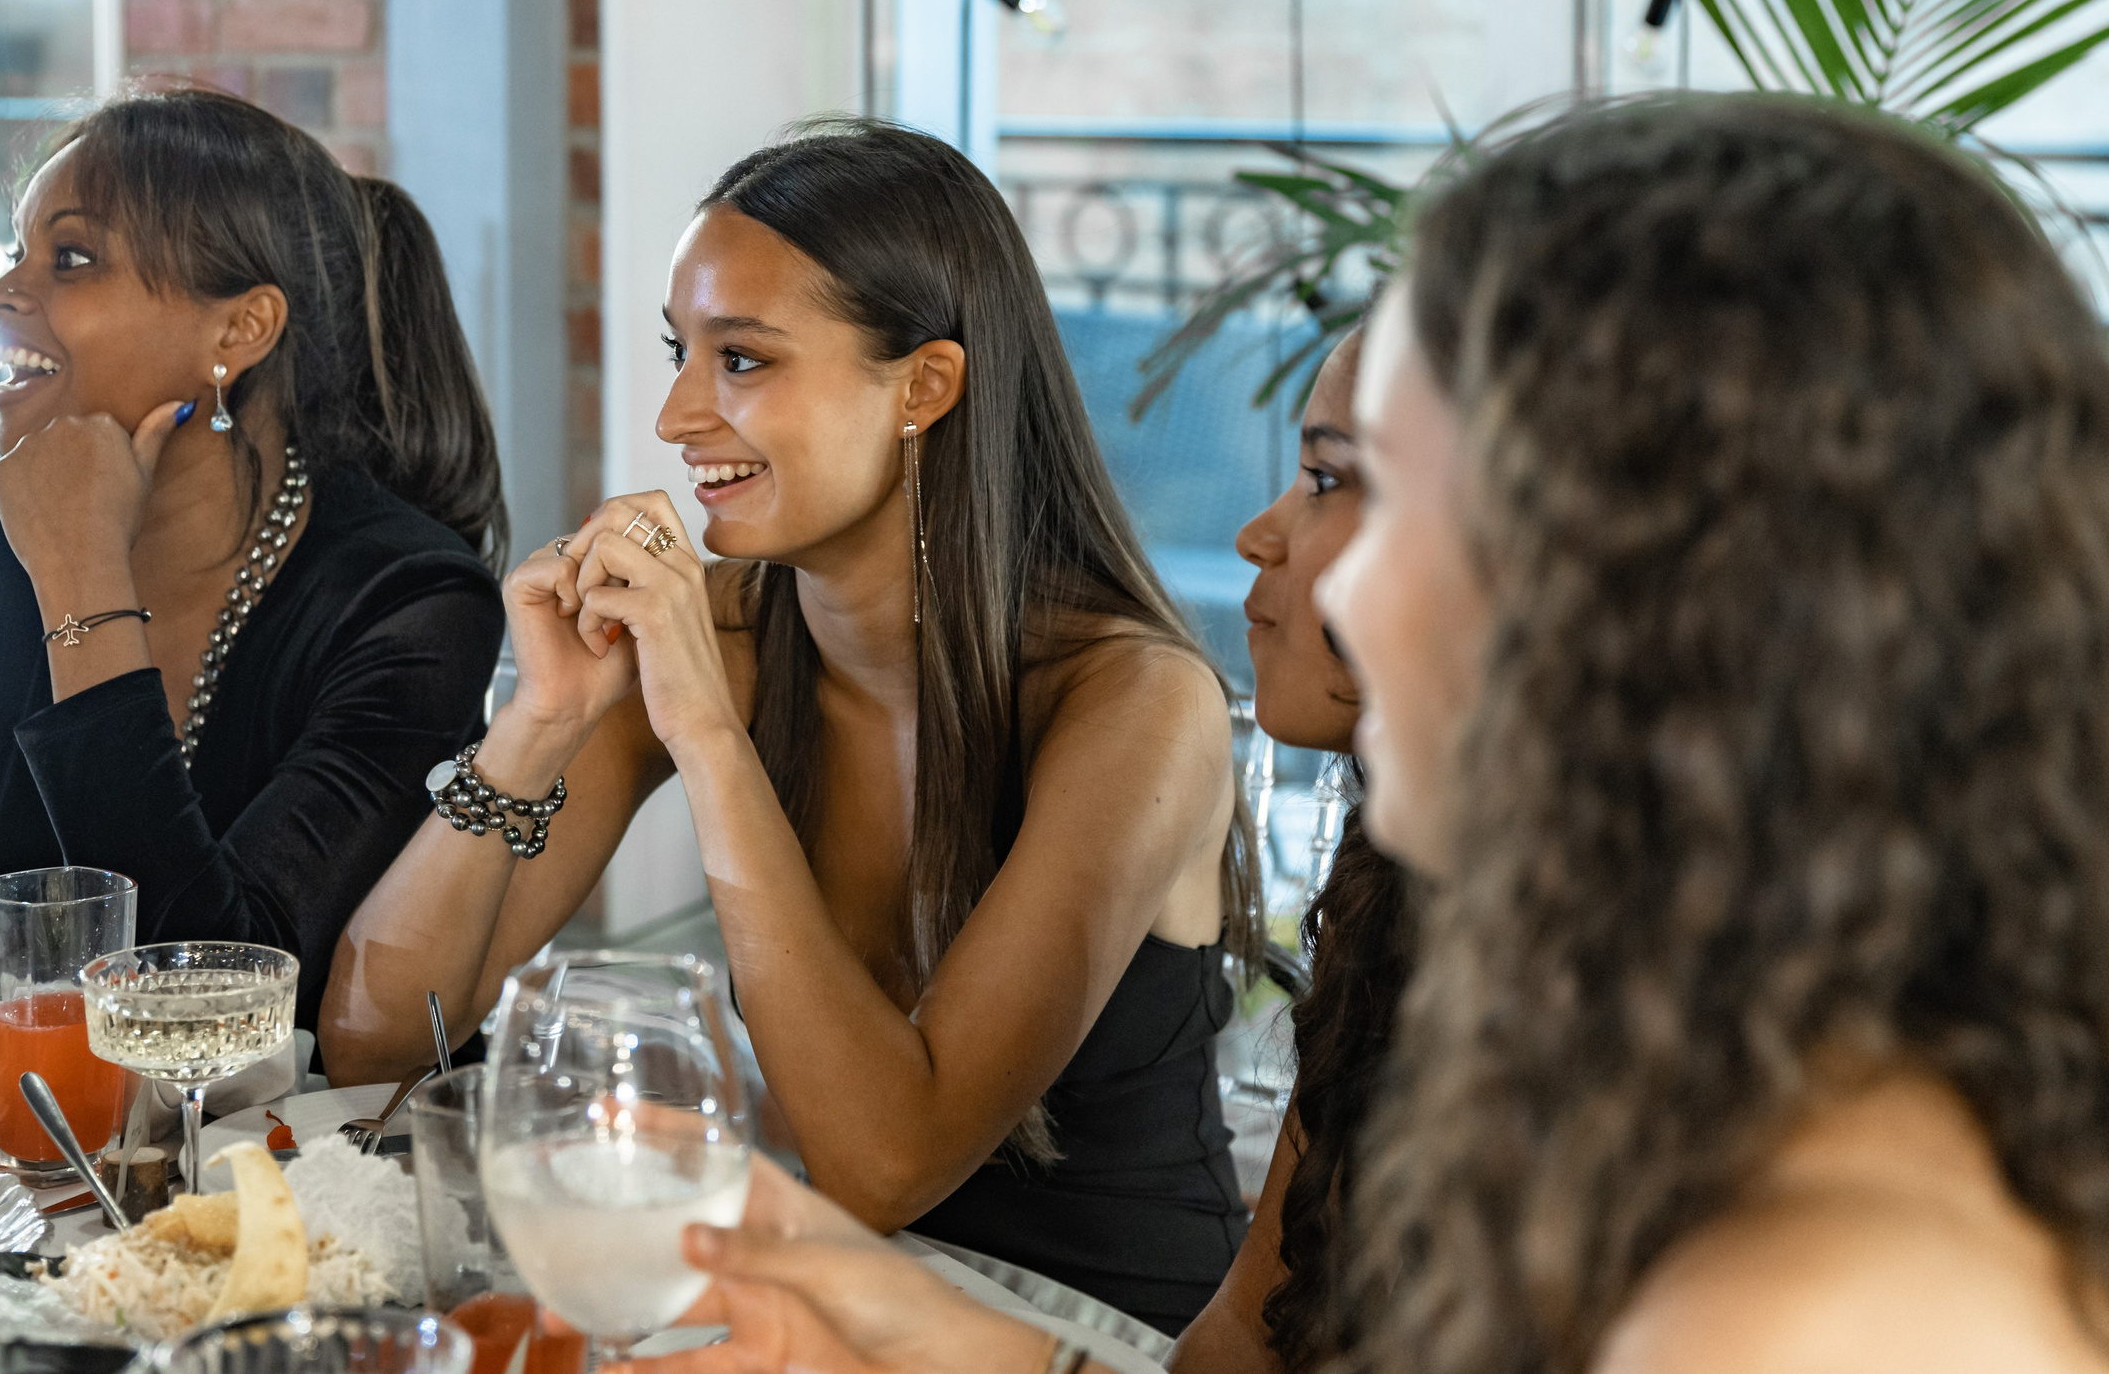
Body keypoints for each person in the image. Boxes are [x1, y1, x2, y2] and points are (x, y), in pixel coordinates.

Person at [613, 94, 2109, 1374]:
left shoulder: (1836, 1297)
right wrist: (902, 1319)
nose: (1301, 562)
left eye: (1364, 485)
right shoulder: (1645, 1020)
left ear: (1648, 572)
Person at [319, 117, 1256, 1333]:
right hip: (828, 1315)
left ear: (923, 386)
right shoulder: (714, 641)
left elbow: (884, 1162)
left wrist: (709, 736)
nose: (674, 416)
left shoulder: (1134, 704)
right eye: (680, 352)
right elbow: (377, 1041)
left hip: (1089, 1339)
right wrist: (539, 723)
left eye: (743, 361)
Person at [0, 87, 508, 1037]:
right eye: (17, 252)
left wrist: (82, 579)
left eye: (70, 259)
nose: (2, 293)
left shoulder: (409, 601)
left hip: (283, 1171)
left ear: (238, 331)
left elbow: (210, 1011)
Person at [1169, 326, 1416, 1374]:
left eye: (1323, 478)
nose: (1257, 536)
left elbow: (886, 1161)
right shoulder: (1398, 895)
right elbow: (1244, 1338)